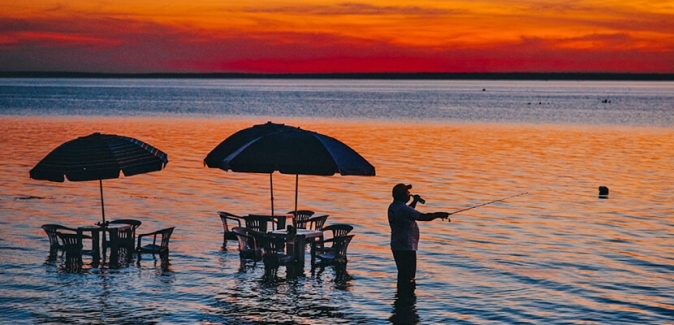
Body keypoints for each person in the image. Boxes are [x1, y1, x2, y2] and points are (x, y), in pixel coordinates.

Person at [388, 183, 450, 292]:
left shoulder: (394, 206)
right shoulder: (403, 208)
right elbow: (423, 217)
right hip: (406, 246)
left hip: (398, 245)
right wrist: (439, 214)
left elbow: (408, 212)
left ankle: (402, 295)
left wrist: (415, 201)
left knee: (402, 273)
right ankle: (407, 296)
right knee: (409, 274)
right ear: (402, 195)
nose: (409, 194)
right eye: (407, 192)